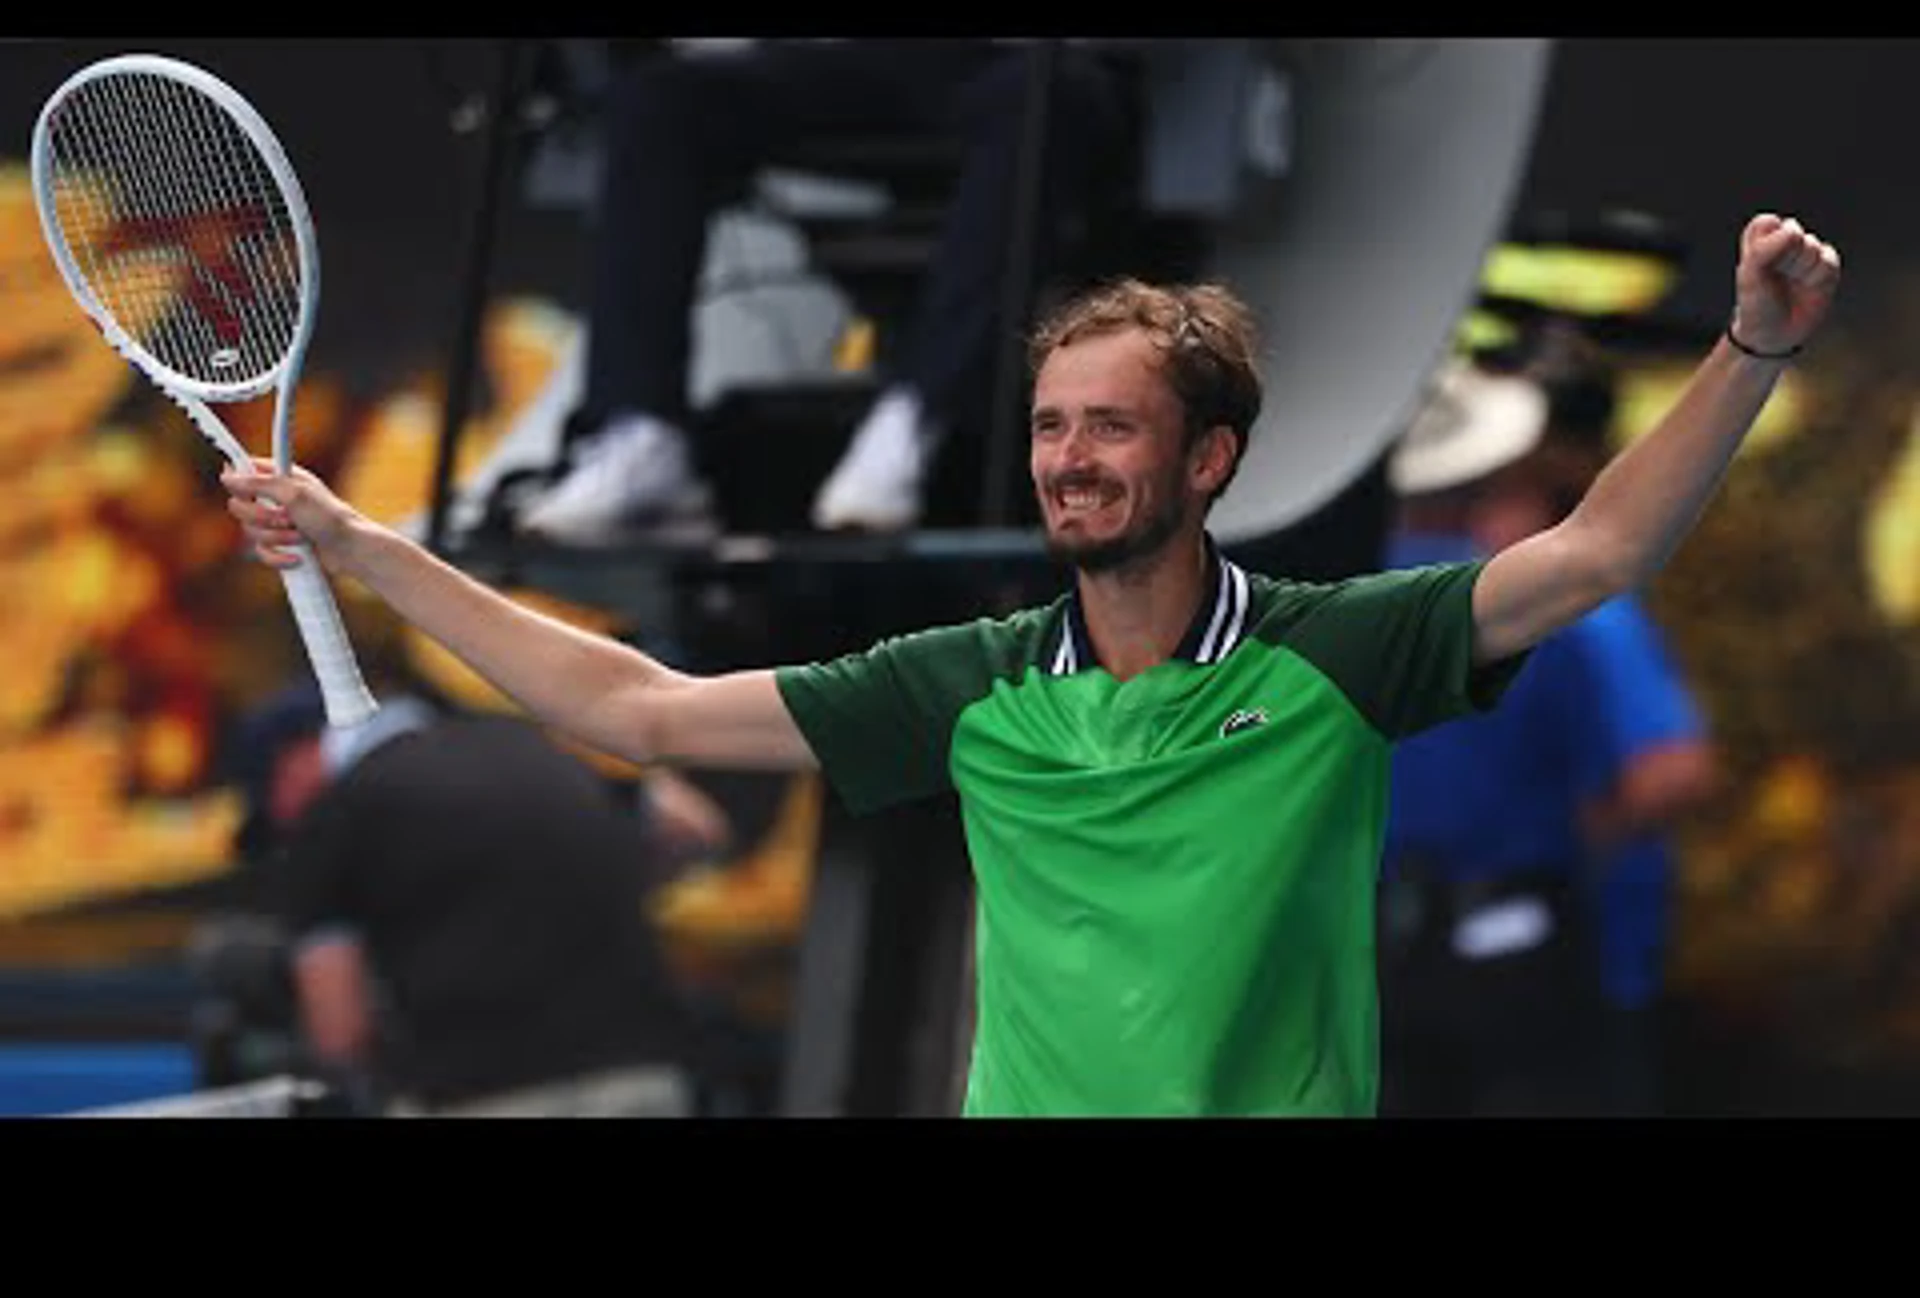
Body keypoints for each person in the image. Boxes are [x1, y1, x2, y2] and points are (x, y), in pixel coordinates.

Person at [224, 212, 1840, 1117]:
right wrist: (365, 550)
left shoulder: (1335, 649)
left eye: (1111, 428)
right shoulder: (970, 681)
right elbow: (629, 708)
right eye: (1052, 426)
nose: (1067, 460)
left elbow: (1600, 553)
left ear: (1210, 460)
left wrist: (1753, 345)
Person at [515, 38, 1134, 541]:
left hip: (1017, 64)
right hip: (841, 60)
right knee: (658, 99)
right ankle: (641, 433)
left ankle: (918, 422)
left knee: (1046, 95)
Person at [1376, 359, 1718, 1117]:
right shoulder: (1543, 609)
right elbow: (1667, 772)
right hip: (1527, 963)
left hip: (1364, 963)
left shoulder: (1311, 610)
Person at [233, 680, 735, 1117]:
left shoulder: (332, 820)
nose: (282, 826)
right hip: (644, 1082)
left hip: (478, 1095)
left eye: (271, 806)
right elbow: (696, 828)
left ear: (294, 759)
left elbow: (340, 1034)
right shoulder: (529, 745)